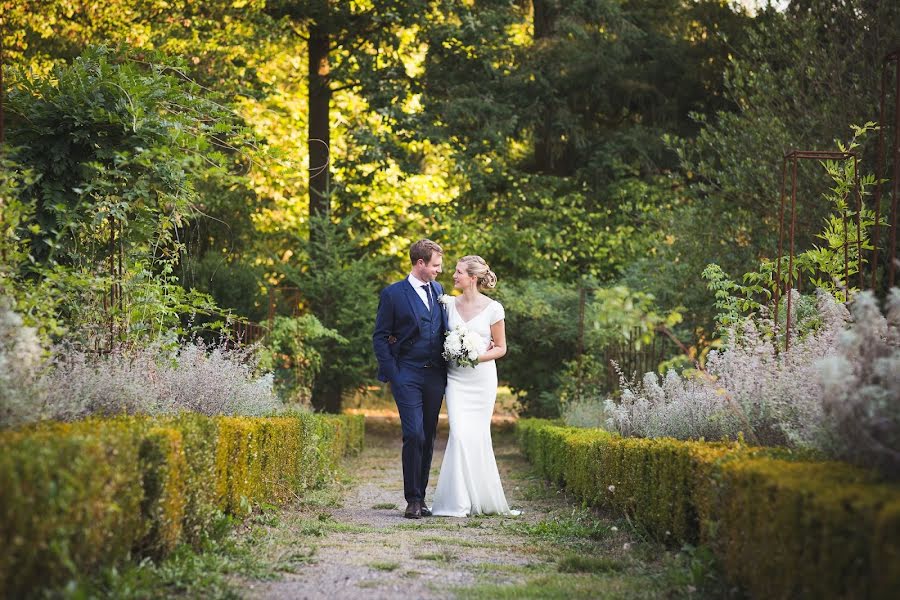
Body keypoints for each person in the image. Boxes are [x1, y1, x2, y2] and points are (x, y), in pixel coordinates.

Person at [431, 255, 519, 517]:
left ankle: (480, 497)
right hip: (456, 380)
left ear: (472, 277)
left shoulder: (494, 308)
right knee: (458, 434)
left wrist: (475, 356)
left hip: (481, 380)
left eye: (458, 272)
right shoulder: (447, 305)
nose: (453, 276)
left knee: (477, 436)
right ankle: (457, 502)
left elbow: (501, 348)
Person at [372, 239, 449, 519]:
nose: (440, 271)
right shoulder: (393, 294)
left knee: (428, 436)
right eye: (436, 265)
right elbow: (380, 336)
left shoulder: (438, 290)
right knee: (413, 433)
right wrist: (394, 373)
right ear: (420, 264)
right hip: (407, 374)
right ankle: (412, 498)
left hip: (435, 376)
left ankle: (422, 498)